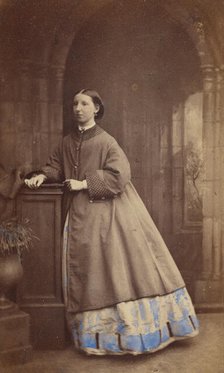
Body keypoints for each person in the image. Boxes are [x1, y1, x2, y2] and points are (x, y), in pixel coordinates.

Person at [25, 89, 199, 355]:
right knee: (88, 269)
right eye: (75, 104)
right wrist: (42, 176)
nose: (78, 108)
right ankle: (89, 337)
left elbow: (120, 175)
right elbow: (56, 166)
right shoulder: (67, 141)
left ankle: (127, 336)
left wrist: (85, 183)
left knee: (109, 269)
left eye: (85, 104)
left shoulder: (107, 141)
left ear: (96, 109)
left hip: (108, 213)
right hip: (78, 215)